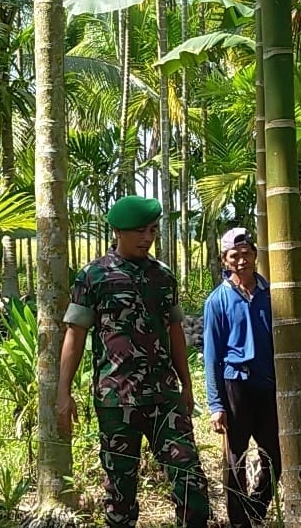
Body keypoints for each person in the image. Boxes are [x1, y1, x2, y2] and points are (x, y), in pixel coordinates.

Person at [56, 195, 211, 528]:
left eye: (153, 230)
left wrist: (186, 385)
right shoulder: (93, 276)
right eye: (139, 231)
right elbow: (75, 335)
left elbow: (175, 332)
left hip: (164, 398)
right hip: (117, 400)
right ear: (117, 231)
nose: (147, 239)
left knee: (192, 482)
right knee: (120, 496)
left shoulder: (163, 276)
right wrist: (63, 392)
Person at [202, 227, 280, 528]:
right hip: (236, 384)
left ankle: (256, 510)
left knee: (275, 453)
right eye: (234, 256)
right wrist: (215, 404)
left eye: (246, 254)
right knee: (235, 456)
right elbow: (211, 355)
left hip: (269, 384)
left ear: (255, 255)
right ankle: (238, 521)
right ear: (225, 260)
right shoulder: (217, 301)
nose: (241, 260)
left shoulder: (272, 295)